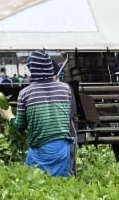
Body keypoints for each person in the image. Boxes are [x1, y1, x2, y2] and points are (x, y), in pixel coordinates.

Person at [9, 49, 77, 177]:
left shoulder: (25, 93)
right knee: (62, 188)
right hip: (62, 149)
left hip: (39, 150)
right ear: (50, 67)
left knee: (36, 187)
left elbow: (20, 126)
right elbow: (68, 114)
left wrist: (9, 116)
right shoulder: (65, 88)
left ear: (31, 70)